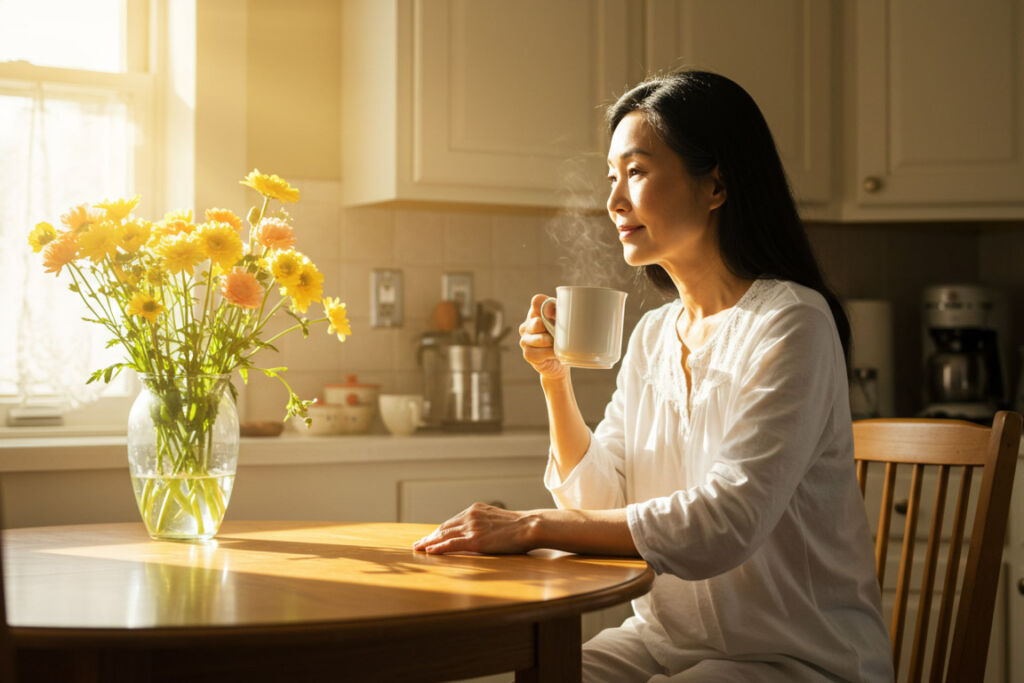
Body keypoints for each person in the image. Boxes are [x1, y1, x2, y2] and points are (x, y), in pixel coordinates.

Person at [413, 70, 893, 682]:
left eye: (636, 172)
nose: (614, 201)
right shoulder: (654, 335)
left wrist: (532, 524)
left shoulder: (792, 321)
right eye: (611, 177)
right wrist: (554, 381)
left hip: (797, 658)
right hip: (666, 642)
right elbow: (602, 502)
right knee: (543, 675)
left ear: (716, 183)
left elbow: (727, 521)